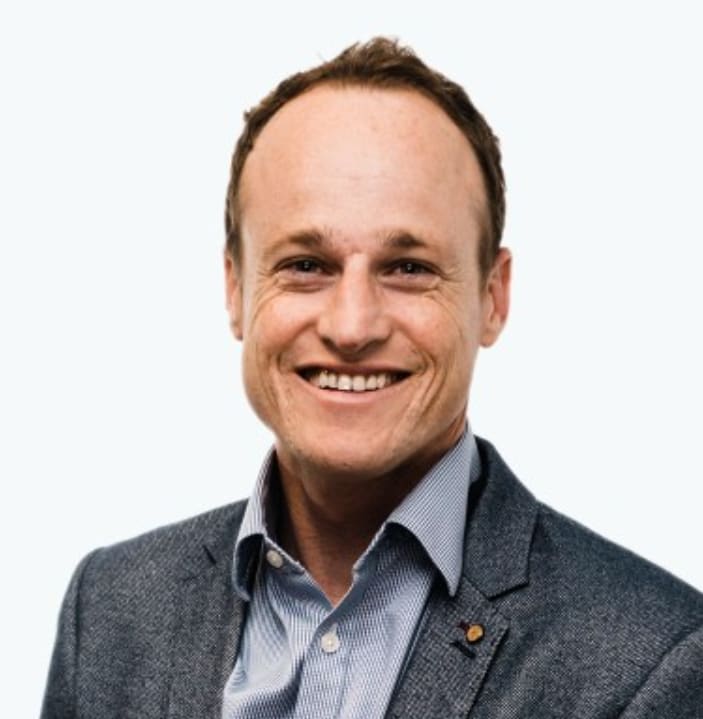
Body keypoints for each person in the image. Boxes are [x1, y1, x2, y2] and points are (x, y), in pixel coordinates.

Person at [42, 37, 703, 719]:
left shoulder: (653, 663)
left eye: (408, 268)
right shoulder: (110, 612)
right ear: (235, 288)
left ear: (493, 297)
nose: (351, 326)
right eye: (305, 264)